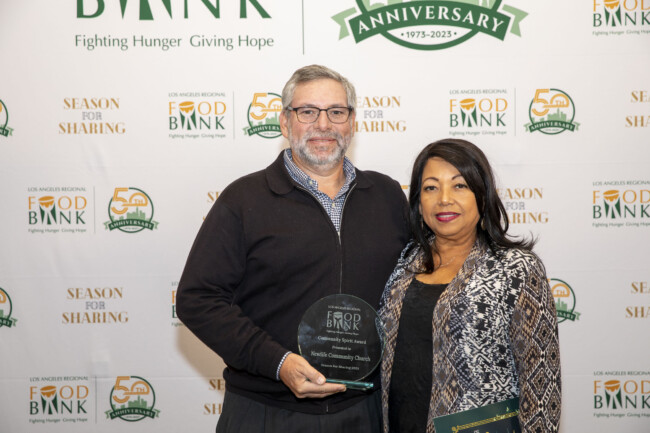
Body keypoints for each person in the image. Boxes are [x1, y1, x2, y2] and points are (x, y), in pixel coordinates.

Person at [176, 65, 409, 432]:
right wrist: (278, 362)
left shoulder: (388, 197)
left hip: (365, 410)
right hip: (266, 410)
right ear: (285, 123)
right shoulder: (243, 200)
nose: (323, 124)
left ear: (352, 123)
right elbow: (197, 299)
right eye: (307, 112)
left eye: (337, 112)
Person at [379, 139, 561, 433]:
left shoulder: (517, 269)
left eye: (459, 185)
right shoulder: (402, 264)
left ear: (482, 194)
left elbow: (542, 386)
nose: (444, 199)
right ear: (418, 201)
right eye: (430, 187)